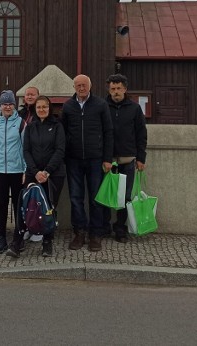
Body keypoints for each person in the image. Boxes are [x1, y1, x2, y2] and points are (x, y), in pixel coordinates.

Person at [61, 74, 113, 252]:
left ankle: (95, 234)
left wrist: (107, 158)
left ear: (90, 86)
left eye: (84, 85)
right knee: (76, 198)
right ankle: (79, 232)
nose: (81, 88)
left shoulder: (100, 105)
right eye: (78, 85)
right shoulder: (68, 106)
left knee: (96, 199)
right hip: (74, 159)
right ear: (74, 87)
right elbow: (64, 132)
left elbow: (108, 132)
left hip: (95, 159)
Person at [105, 74, 148, 243]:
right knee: (106, 196)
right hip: (108, 161)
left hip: (128, 160)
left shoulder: (135, 109)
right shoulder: (103, 106)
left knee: (125, 197)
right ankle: (104, 226)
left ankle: (120, 228)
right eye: (113, 89)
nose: (116, 92)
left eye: (119, 88)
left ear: (125, 89)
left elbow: (141, 134)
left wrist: (141, 158)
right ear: (109, 90)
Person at [23, 95, 66, 257]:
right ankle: (23, 234)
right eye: (39, 107)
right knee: (28, 203)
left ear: (49, 108)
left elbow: (60, 150)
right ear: (35, 109)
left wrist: (47, 171)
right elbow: (26, 150)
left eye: (45, 107)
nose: (42, 110)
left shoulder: (57, 126)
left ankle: (47, 242)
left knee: (49, 208)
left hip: (54, 173)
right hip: (33, 173)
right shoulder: (30, 127)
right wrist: (35, 172)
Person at [0, 90, 26, 257]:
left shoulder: (21, 123)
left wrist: (25, 169)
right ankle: (0, 237)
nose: (7, 107)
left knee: (18, 205)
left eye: (10, 104)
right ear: (0, 106)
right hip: (0, 171)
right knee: (0, 205)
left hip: (17, 171)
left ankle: (19, 237)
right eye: (4, 104)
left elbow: (25, 148)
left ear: (14, 106)